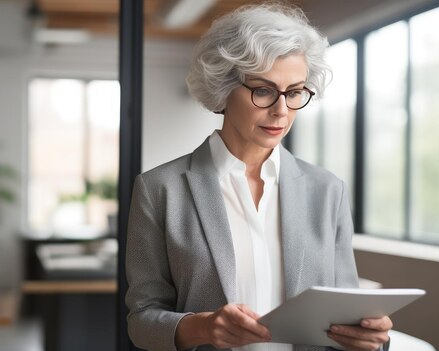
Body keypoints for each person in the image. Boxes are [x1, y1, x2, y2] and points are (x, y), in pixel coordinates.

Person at [125, 3, 393, 351]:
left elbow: (345, 314)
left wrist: (371, 337)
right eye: (264, 90)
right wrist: (201, 328)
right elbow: (141, 320)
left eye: (295, 92)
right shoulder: (160, 189)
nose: (281, 110)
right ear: (223, 88)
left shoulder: (327, 191)